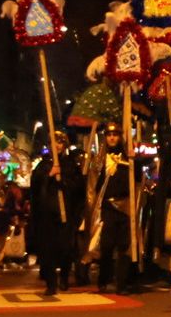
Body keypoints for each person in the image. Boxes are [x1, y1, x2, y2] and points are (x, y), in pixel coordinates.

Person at [31, 134, 83, 297]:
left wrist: (63, 181)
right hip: (47, 213)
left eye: (60, 142)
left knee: (66, 248)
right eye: (54, 142)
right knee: (48, 250)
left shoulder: (70, 165)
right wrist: (49, 175)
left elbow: (78, 188)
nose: (57, 146)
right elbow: (35, 186)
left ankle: (64, 277)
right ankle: (51, 283)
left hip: (65, 212)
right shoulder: (43, 165)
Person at [92, 123, 138, 294]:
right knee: (107, 245)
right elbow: (94, 184)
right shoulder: (100, 159)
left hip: (125, 207)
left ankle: (122, 284)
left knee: (124, 246)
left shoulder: (128, 158)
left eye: (115, 134)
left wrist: (134, 162)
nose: (112, 137)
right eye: (109, 135)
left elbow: (137, 179)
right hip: (108, 207)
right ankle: (103, 279)